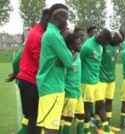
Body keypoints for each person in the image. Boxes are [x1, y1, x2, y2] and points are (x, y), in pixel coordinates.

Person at [36, 4, 73, 134]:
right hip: (52, 87)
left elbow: (66, 59)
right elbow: (69, 61)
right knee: (52, 127)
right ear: (60, 18)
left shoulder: (51, 33)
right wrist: (64, 59)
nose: (67, 22)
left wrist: (63, 59)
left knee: (46, 125)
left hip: (50, 86)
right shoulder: (53, 35)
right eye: (66, 19)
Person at [15, 9, 50, 134]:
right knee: (34, 118)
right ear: (47, 20)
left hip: (29, 79)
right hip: (30, 80)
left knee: (34, 117)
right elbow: (40, 61)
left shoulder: (38, 32)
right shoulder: (37, 35)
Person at [80, 29, 114, 134]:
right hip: (87, 82)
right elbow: (79, 61)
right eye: (105, 42)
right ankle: (85, 129)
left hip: (96, 81)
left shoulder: (100, 45)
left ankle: (106, 129)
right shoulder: (87, 46)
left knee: (101, 104)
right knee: (87, 106)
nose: (105, 45)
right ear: (101, 38)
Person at [98, 31, 125, 132]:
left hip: (112, 79)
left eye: (119, 40)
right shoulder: (104, 46)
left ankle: (108, 124)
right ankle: (98, 125)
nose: (116, 40)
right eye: (115, 37)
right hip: (102, 78)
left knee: (109, 101)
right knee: (100, 102)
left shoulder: (118, 48)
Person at [59, 33, 84, 134]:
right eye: (78, 44)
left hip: (78, 92)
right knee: (67, 119)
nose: (80, 45)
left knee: (81, 115)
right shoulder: (65, 57)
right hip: (69, 93)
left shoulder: (77, 55)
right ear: (70, 45)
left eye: (80, 43)